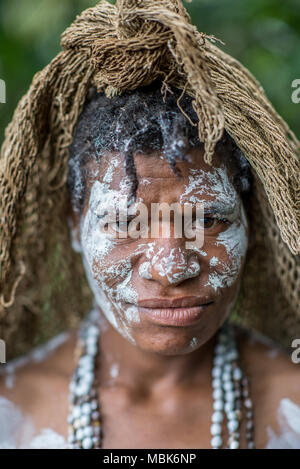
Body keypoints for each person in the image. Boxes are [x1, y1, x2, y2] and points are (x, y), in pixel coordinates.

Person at [0, 0, 299, 449]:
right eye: (125, 222)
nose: (171, 268)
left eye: (208, 219)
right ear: (73, 224)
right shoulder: (12, 413)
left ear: (252, 221)